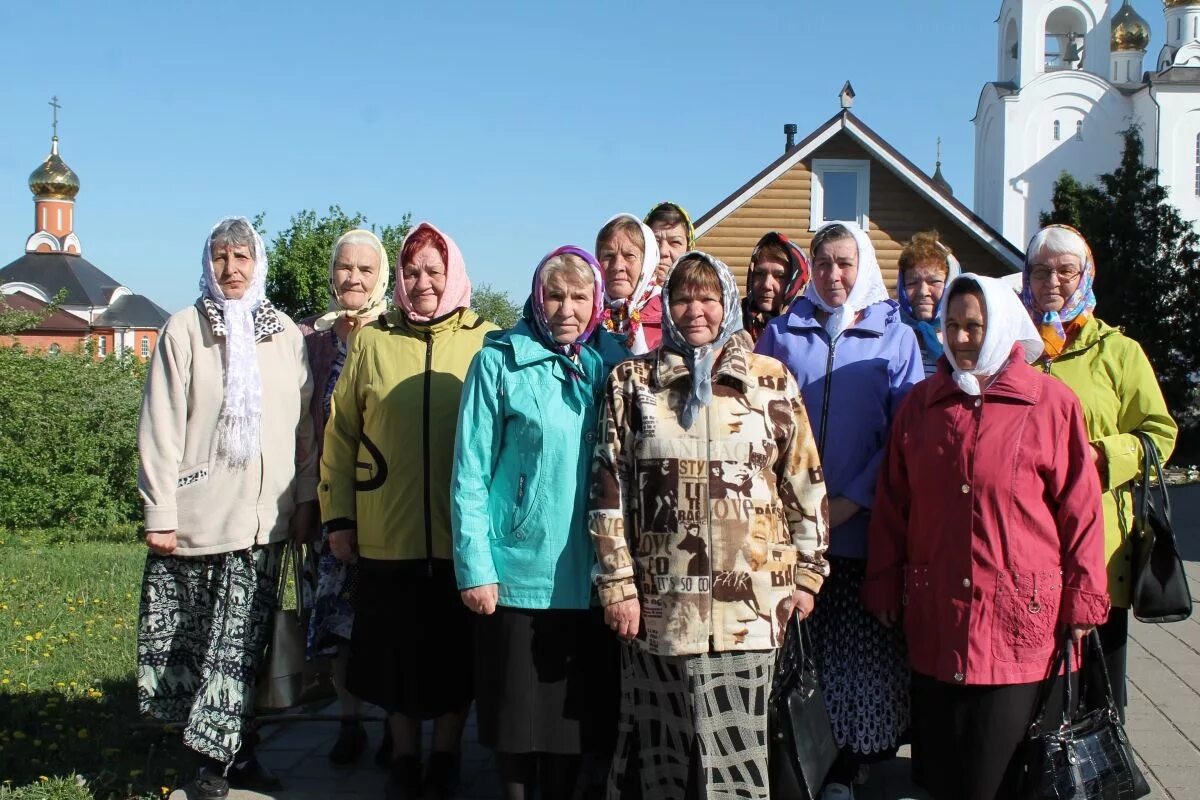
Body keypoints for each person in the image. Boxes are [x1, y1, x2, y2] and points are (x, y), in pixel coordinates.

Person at [589, 251, 829, 800]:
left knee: (740, 767)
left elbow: (804, 485)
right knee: (664, 766)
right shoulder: (632, 382)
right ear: (667, 308)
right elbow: (608, 493)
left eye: (707, 298)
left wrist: (809, 578)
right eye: (682, 298)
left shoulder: (770, 381)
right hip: (660, 609)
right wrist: (618, 586)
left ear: (727, 304)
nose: (695, 310)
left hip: (750, 611)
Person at [864, 273, 1110, 800]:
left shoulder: (1051, 403)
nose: (959, 339)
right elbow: (892, 504)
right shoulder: (923, 404)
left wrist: (1084, 599)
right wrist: (883, 581)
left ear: (998, 326)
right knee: (942, 774)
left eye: (973, 326)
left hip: (1019, 621)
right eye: (951, 326)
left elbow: (1082, 510)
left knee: (998, 777)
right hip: (937, 619)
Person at [136, 217, 317, 800]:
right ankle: (205, 764)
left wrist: (307, 499)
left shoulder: (284, 334)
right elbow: (160, 425)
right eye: (220, 257)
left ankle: (238, 758)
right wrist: (159, 510)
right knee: (194, 645)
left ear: (258, 262)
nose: (232, 269)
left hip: (265, 522)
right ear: (207, 263)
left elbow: (304, 430)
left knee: (244, 650)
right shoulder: (186, 331)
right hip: (197, 518)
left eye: (242, 257)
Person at [319, 222, 497, 800]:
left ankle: (445, 754)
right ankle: (402, 756)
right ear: (400, 278)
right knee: (395, 658)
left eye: (434, 272)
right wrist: (338, 518)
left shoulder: (485, 340)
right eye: (413, 271)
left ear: (454, 276)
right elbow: (342, 433)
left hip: (460, 537)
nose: (423, 282)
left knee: (451, 657)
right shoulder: (373, 341)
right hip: (386, 532)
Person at [754, 221, 922, 797]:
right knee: (802, 658)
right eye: (823, 263)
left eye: (845, 263)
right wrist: (796, 505)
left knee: (857, 667)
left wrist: (849, 501)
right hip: (790, 533)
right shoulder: (782, 331)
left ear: (864, 266)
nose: (834, 275)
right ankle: (801, 766)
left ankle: (849, 770)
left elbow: (903, 434)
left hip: (857, 531)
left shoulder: (894, 336)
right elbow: (759, 421)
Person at [452, 246, 616, 800]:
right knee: (515, 722)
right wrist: (476, 568)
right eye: (555, 295)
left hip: (585, 574)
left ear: (596, 301)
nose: (567, 307)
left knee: (570, 725)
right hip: (515, 572)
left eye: (579, 295)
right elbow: (470, 472)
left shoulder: (605, 368)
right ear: (537, 299)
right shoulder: (498, 361)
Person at [1020, 224, 1177, 715]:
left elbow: (1159, 432)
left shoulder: (1118, 352)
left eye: (1066, 270)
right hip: (1024, 542)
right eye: (1041, 270)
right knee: (1031, 685)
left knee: (1098, 690)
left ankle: (1098, 781)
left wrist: (1102, 456)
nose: (1053, 281)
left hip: (1100, 543)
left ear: (1086, 275)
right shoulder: (1014, 349)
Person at [297, 228, 390, 765]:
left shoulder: (394, 334)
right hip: (330, 502)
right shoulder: (312, 338)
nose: (353, 278)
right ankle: (348, 720)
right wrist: (309, 500)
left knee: (380, 618)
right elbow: (300, 426)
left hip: (384, 505)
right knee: (335, 620)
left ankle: (386, 724)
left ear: (382, 278)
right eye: (344, 267)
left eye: (365, 269)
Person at [896, 230, 961, 377]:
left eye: (934, 282)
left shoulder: (964, 339)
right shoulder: (891, 335)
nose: (923, 292)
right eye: (912, 282)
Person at [596, 213, 663, 354]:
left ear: (647, 263)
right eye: (608, 256)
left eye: (629, 256)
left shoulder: (671, 318)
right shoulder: (584, 315)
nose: (617, 266)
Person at [742, 231, 810, 343]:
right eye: (760, 273)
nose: (766, 285)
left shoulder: (811, 328)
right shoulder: (731, 323)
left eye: (779, 276)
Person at [644, 201, 695, 283]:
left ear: (688, 250)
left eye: (675, 242)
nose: (663, 252)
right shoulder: (623, 291)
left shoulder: (701, 292)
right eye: (655, 241)